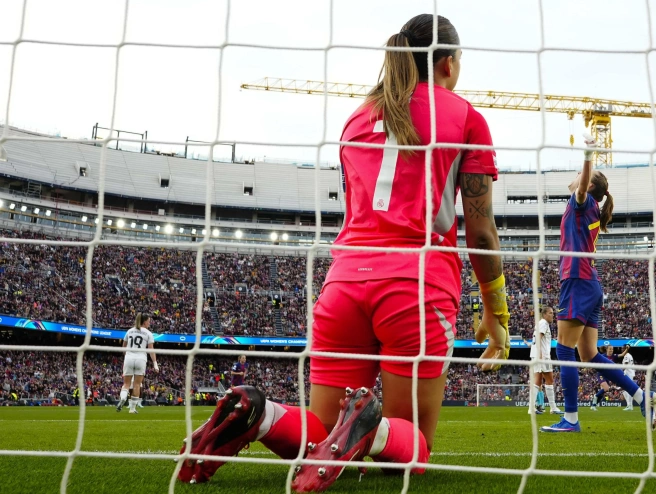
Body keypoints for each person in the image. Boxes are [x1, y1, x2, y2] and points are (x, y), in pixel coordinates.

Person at [176, 14, 509, 492]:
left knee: (322, 429)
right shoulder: (465, 117)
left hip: (345, 282)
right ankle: (369, 429)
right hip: (416, 285)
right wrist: (495, 308)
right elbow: (479, 231)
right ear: (450, 64)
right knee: (407, 455)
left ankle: (260, 414)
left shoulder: (358, 118)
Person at [540, 134, 656, 433]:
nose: (577, 177)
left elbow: (580, 185)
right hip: (589, 282)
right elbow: (579, 184)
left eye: (582, 176)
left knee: (564, 350)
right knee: (589, 354)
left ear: (589, 183)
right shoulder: (590, 207)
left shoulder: (583, 201)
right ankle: (641, 396)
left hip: (577, 279)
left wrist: (588, 154)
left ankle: (571, 419)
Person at [116, 313, 158, 414]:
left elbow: (124, 347)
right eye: (148, 321)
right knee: (137, 384)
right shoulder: (148, 333)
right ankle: (132, 409)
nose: (149, 323)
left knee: (126, 384)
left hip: (129, 358)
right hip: (141, 359)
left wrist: (128, 355)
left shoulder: (129, 331)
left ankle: (123, 397)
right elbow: (151, 350)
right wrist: (155, 363)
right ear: (144, 322)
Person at [528, 306, 560, 414]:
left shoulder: (541, 323)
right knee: (548, 380)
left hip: (539, 355)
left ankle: (533, 408)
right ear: (544, 314)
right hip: (542, 356)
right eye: (550, 313)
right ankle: (552, 407)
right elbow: (538, 338)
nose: (552, 315)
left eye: (553, 313)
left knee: (539, 381)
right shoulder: (543, 324)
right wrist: (540, 355)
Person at [589, 344, 630, 411]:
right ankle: (595, 396)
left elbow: (622, 355)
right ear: (607, 349)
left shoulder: (613, 356)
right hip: (601, 374)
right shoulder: (603, 356)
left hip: (607, 375)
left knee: (605, 391)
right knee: (606, 388)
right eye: (610, 349)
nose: (611, 350)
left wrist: (627, 349)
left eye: (612, 349)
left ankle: (593, 405)